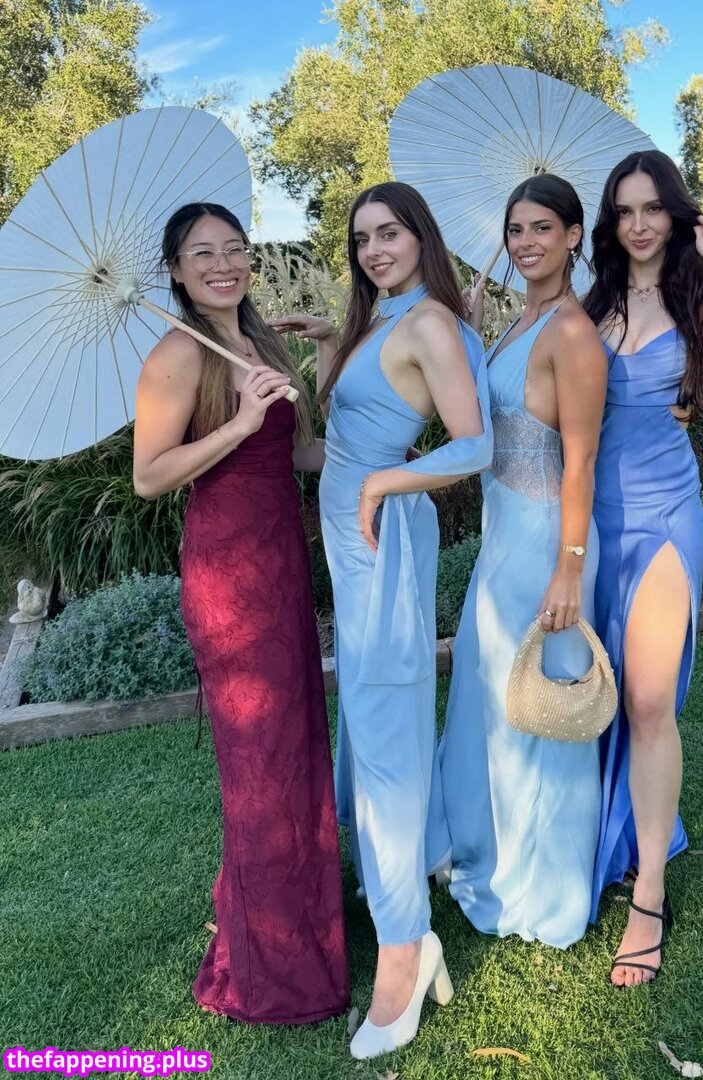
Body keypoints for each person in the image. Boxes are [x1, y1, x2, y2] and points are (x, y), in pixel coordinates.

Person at [271, 181, 492, 1059]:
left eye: (389, 233)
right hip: (354, 535)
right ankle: (410, 865)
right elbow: (344, 442)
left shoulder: (429, 322)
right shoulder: (380, 319)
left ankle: (406, 946)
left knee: (386, 723)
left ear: (420, 236)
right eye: (361, 238)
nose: (372, 250)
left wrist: (382, 485)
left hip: (383, 536)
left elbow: (475, 444)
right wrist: (329, 352)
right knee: (373, 720)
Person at [132, 202, 350, 1023]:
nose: (223, 264)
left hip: (281, 559)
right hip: (228, 574)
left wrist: (379, 454)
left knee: (292, 743)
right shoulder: (178, 353)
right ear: (176, 270)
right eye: (202, 254)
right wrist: (244, 420)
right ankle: (273, 961)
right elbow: (150, 476)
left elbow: (296, 453)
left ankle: (303, 923)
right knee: (261, 760)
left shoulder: (259, 342)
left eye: (235, 249)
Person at [583, 151, 703, 986]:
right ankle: (613, 838)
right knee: (600, 699)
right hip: (591, 527)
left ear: (676, 215)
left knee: (648, 702)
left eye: (653, 208)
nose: (639, 224)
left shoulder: (693, 294)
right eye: (624, 210)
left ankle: (648, 893)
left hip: (664, 522)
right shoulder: (593, 302)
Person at [437, 175, 607, 946]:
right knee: (495, 696)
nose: (526, 242)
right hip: (502, 535)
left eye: (543, 228)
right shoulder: (519, 322)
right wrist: (474, 337)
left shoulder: (572, 332)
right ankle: (492, 851)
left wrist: (568, 568)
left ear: (573, 236)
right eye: (516, 229)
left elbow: (580, 462)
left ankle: (544, 889)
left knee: (540, 705)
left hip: (545, 541)